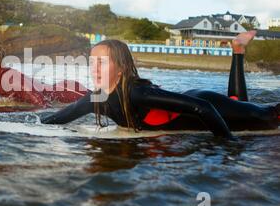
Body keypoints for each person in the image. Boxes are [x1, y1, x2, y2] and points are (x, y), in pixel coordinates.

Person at [42, 31, 279, 139]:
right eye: (92, 62)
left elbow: (203, 108)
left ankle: (238, 51)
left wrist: (229, 146)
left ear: (121, 68)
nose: (94, 69)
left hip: (207, 104)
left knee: (265, 117)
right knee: (241, 104)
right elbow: (55, 120)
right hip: (198, 107)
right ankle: (238, 49)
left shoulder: (138, 93)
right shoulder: (95, 100)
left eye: (102, 62)